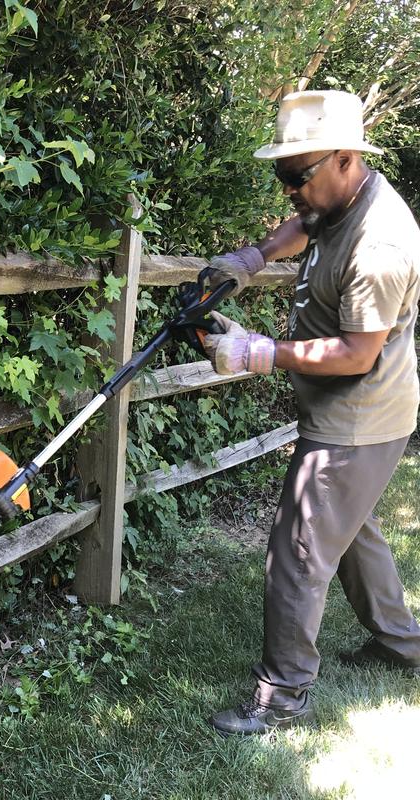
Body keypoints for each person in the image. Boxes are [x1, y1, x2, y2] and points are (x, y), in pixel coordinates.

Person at [201, 90, 420, 735]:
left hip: (356, 418)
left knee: (298, 551)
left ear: (347, 159)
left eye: (299, 176)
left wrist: (259, 352)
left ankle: (282, 695)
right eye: (284, 177)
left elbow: (356, 353)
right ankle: (401, 644)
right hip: (363, 414)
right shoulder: (337, 197)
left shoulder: (381, 242)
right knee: (352, 536)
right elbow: (308, 224)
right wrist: (255, 257)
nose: (290, 192)